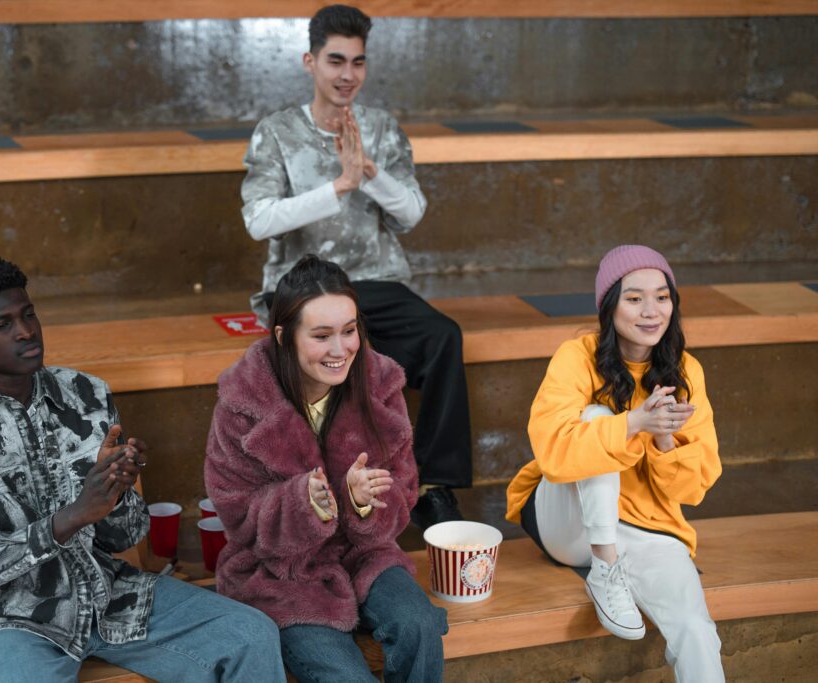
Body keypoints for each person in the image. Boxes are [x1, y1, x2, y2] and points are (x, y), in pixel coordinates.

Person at [0, 256, 284, 683]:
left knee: (250, 634)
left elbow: (124, 535)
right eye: (2, 325)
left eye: (28, 314)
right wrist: (72, 516)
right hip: (7, 616)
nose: (26, 331)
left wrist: (115, 492)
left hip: (105, 591)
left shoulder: (85, 394)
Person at [241, 3, 472, 528]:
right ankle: (324, 487)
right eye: (336, 61)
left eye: (358, 63)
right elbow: (259, 219)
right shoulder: (276, 132)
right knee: (339, 355)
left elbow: (411, 214)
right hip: (306, 285)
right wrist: (338, 187)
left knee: (443, 337)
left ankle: (434, 486)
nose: (348, 75)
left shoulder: (382, 129)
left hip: (374, 281)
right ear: (310, 62)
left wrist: (368, 173)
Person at [205, 255, 448, 682]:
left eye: (349, 331)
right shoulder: (243, 401)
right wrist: (303, 503)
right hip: (281, 573)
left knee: (420, 624)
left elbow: (404, 490)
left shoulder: (380, 383)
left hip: (364, 555)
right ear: (284, 336)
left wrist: (363, 502)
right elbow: (236, 514)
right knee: (345, 676)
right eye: (321, 336)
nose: (341, 350)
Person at [505, 245, 724, 682]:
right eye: (635, 297)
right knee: (597, 417)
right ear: (610, 305)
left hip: (646, 525)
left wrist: (663, 439)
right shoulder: (577, 355)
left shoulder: (686, 371)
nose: (651, 311)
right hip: (569, 524)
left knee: (697, 631)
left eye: (662, 297)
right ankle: (605, 569)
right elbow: (553, 452)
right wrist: (633, 423)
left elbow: (693, 489)